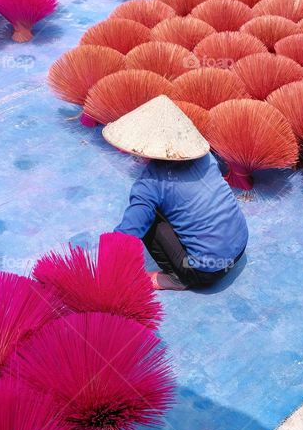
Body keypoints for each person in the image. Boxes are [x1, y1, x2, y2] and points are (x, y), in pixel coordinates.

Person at [103, 96, 249, 291]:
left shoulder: (150, 183)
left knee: (148, 216)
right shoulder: (205, 157)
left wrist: (103, 270)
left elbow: (128, 235)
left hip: (206, 272)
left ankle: (178, 279)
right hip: (239, 250)